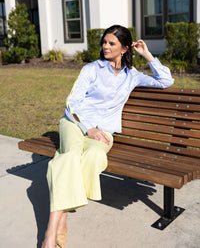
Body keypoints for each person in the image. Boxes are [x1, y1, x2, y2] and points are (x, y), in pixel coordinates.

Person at [42, 25, 174, 248]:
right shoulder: (91, 69)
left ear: (124, 48)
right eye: (104, 42)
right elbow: (71, 103)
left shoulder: (131, 76)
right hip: (75, 124)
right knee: (70, 156)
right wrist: (88, 127)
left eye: (111, 43)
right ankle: (52, 229)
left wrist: (147, 55)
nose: (105, 46)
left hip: (104, 133)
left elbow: (165, 81)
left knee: (93, 157)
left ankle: (62, 216)